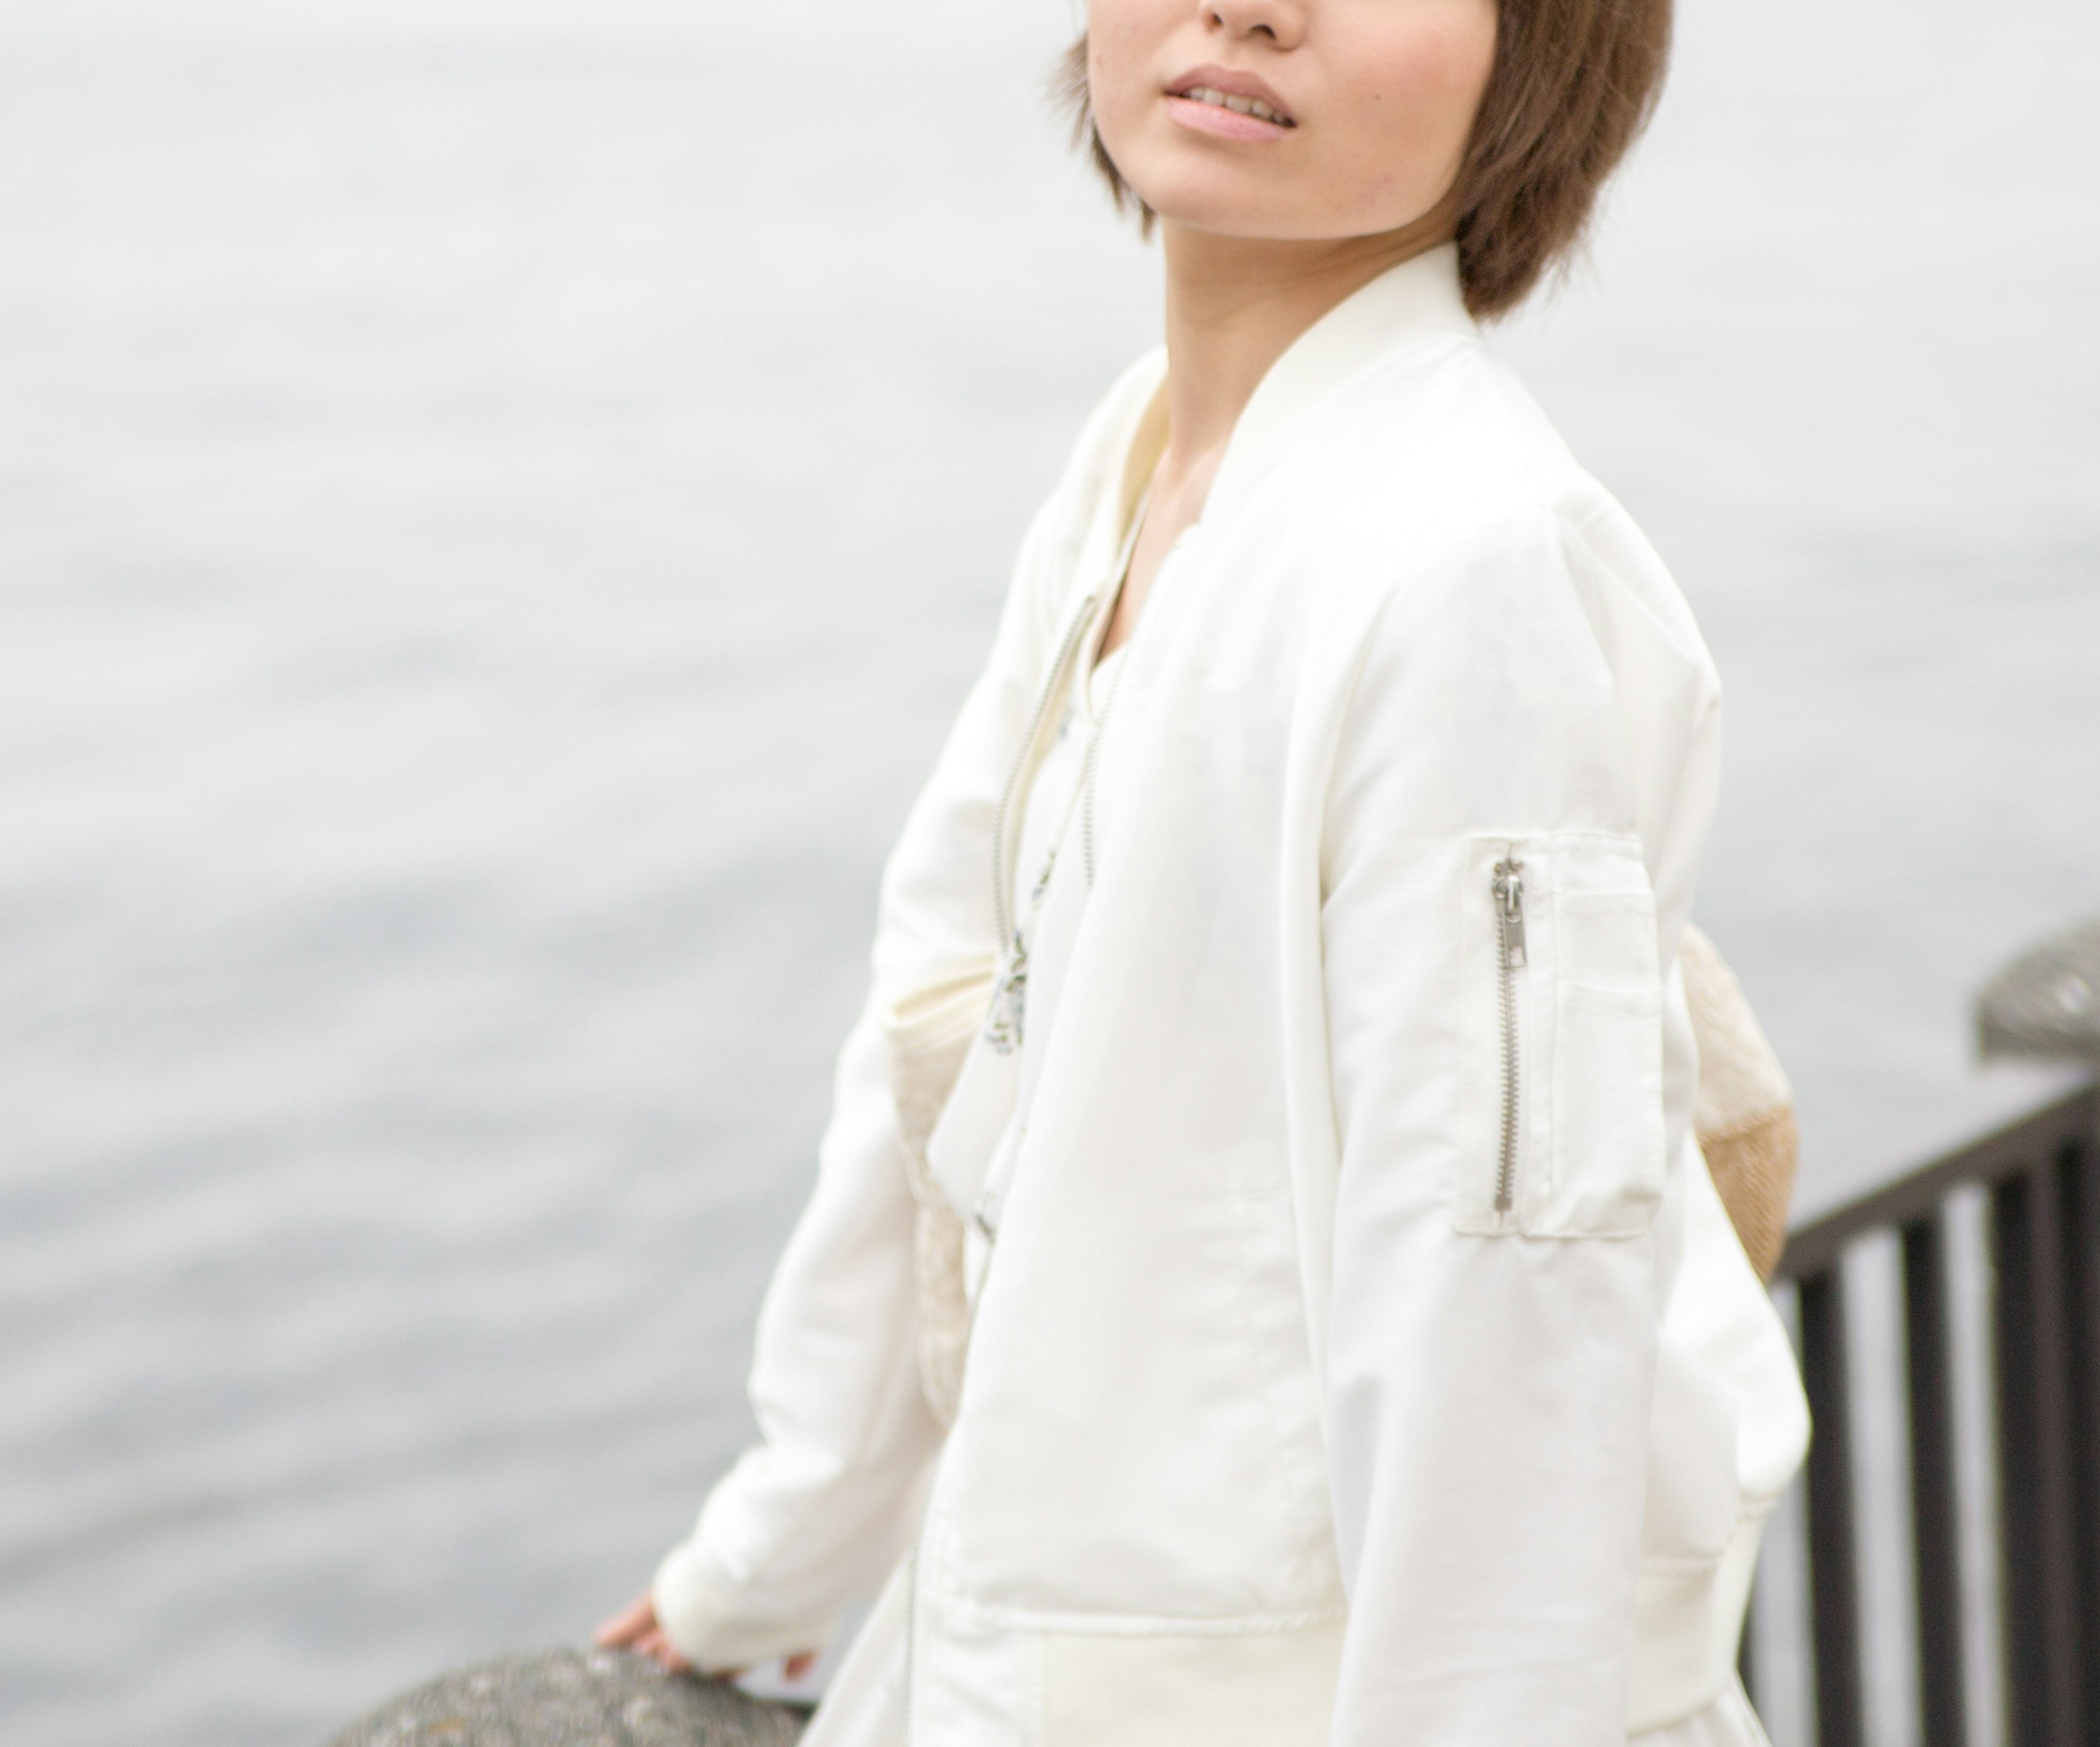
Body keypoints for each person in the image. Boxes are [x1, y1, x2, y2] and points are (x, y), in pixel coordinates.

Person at [597, 0, 1811, 1740]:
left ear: (1537, 67)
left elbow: (1503, 1326)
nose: (1255, 5)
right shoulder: (1141, 462)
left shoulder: (1465, 564)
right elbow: (939, 1034)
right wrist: (776, 1548)